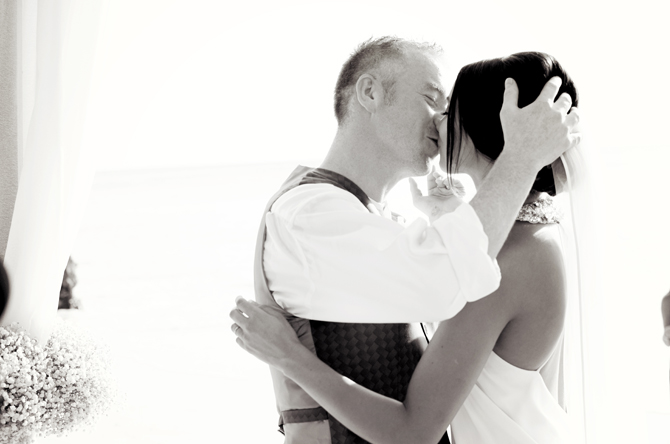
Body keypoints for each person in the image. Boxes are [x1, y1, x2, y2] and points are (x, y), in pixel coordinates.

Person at [243, 38, 580, 443]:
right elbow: (446, 275)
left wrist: (291, 359)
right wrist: (517, 161)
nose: (441, 119)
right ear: (370, 92)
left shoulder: (502, 251)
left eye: (450, 107)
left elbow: (445, 275)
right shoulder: (309, 215)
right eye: (431, 98)